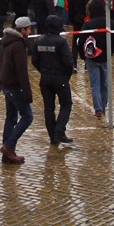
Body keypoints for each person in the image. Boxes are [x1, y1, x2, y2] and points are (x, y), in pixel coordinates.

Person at [0, 15, 34, 165]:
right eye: (29, 29)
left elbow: (0, 65)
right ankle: (9, 146)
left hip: (5, 84)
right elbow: (22, 72)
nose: (30, 31)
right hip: (14, 86)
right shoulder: (18, 45)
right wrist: (28, 93)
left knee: (11, 117)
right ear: (22, 30)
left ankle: (8, 154)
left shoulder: (6, 42)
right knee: (27, 116)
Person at [32, 13, 76, 147]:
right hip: (60, 79)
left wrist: (43, 71)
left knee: (49, 108)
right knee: (66, 104)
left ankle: (53, 136)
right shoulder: (61, 42)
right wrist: (67, 75)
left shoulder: (39, 41)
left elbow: (34, 60)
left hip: (45, 79)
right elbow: (68, 62)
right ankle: (59, 132)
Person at [80, 0, 110, 119]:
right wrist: (110, 52)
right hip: (105, 57)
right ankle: (103, 106)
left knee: (95, 84)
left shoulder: (88, 24)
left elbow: (81, 41)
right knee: (105, 84)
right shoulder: (109, 23)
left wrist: (83, 56)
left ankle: (98, 109)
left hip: (91, 59)